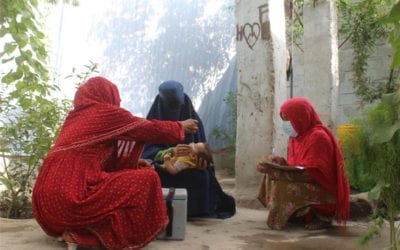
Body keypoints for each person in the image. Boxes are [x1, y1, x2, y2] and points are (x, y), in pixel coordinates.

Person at [31, 77, 200, 250]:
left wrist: (134, 162)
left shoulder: (74, 117)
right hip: (70, 199)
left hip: (45, 206)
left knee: (131, 177)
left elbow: (93, 157)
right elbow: (146, 129)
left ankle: (74, 231)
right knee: (147, 178)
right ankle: (86, 237)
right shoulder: (104, 112)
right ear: (107, 95)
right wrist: (179, 126)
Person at [142, 80, 236, 219]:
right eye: (169, 106)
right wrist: (171, 152)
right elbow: (146, 152)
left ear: (183, 102)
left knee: (202, 176)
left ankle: (195, 211)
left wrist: (203, 162)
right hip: (164, 167)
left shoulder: (193, 120)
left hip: (187, 169)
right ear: (161, 104)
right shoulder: (153, 122)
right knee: (150, 173)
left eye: (177, 106)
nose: (174, 111)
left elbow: (203, 150)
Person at [256, 97, 350, 230]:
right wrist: (280, 163)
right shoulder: (297, 136)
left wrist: (279, 171)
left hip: (322, 186)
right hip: (306, 179)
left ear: (301, 117)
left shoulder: (318, 137)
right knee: (271, 176)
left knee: (281, 183)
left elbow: (312, 173)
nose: (286, 124)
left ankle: (322, 216)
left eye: (288, 120)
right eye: (284, 120)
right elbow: (298, 165)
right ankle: (296, 214)